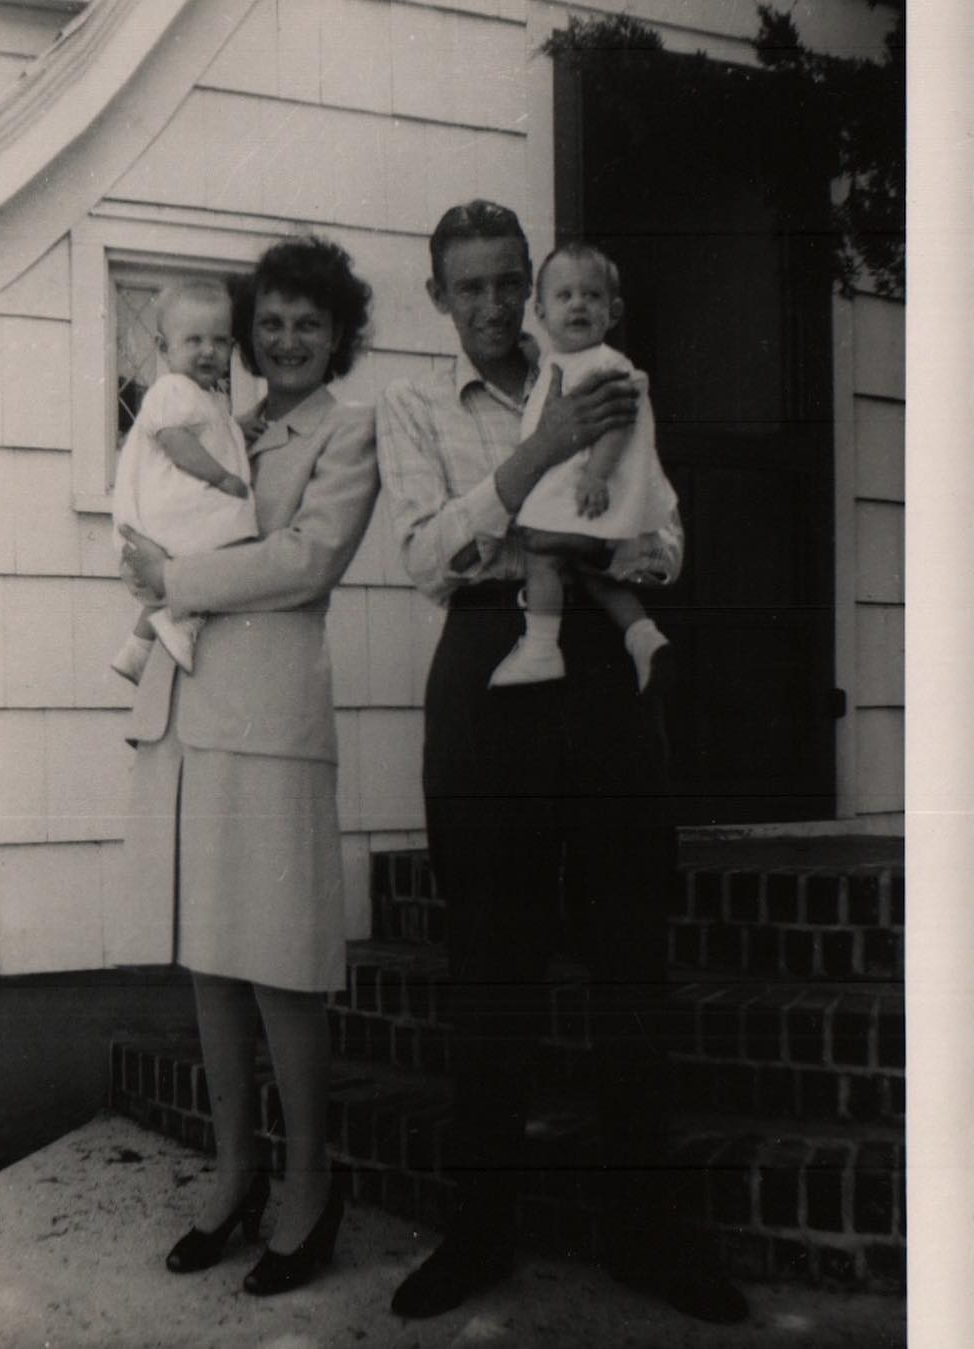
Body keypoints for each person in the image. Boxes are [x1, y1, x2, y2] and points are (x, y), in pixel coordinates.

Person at [376, 200, 747, 1324]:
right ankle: (479, 1230)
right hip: (488, 662)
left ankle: (648, 1233)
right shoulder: (412, 404)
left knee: (631, 953)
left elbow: (669, 532)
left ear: (532, 284)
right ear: (439, 298)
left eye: (507, 282)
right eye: (470, 287)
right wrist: (541, 456)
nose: (493, 306)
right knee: (490, 958)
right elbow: (427, 556)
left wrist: (626, 542)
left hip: (598, 662)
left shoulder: (599, 370)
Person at [114, 236, 378, 1297]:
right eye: (269, 321)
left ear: (339, 334)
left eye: (308, 322)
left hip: (269, 728)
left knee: (281, 962)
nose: (284, 339)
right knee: (210, 958)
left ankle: (310, 1186)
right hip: (189, 711)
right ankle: (235, 1177)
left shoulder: (345, 434)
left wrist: (175, 572)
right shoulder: (216, 413)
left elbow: (305, 559)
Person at [488, 240, 677, 692]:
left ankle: (540, 649)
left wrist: (595, 474)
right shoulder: (559, 363)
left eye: (591, 296)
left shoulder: (606, 364)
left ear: (613, 313)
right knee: (591, 576)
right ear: (541, 311)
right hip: (584, 493)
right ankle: (644, 638)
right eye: (564, 296)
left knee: (543, 556)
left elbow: (617, 424)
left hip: (593, 489)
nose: (578, 305)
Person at [110, 278, 260, 684]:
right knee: (234, 538)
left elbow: (210, 430)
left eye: (219, 340)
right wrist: (223, 477)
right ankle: (182, 621)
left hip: (163, 514)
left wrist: (239, 428)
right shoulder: (173, 388)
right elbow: (177, 443)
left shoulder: (206, 396)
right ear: (163, 348)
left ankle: (138, 649)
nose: (208, 350)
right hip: (165, 507)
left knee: (203, 557)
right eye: (193, 340)